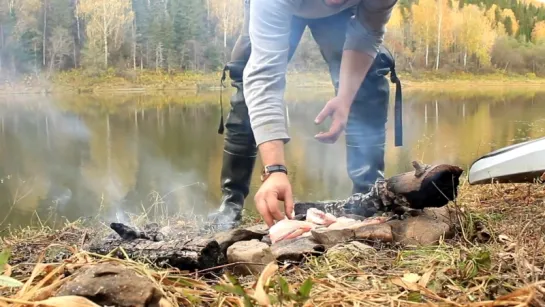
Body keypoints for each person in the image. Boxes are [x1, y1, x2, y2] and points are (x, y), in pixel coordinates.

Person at [208, 0, 403, 229]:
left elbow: (366, 35)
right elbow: (264, 77)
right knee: (246, 80)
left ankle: (369, 196)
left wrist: (345, 98)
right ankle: (231, 204)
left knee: (368, 76)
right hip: (281, 5)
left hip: (342, 17)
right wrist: (274, 169)